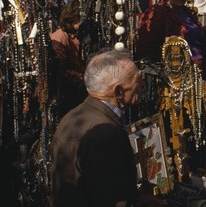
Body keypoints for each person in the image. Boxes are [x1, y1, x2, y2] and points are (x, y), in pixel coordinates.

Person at [51, 50, 162, 207]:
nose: (143, 85)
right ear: (118, 92)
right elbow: (111, 198)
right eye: (138, 80)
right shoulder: (106, 135)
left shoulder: (73, 117)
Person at [136, 0, 205, 66]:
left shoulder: (188, 13)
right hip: (175, 72)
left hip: (197, 68)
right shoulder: (156, 13)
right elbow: (149, 47)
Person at [51, 0, 86, 116]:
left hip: (77, 85)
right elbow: (60, 68)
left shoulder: (75, 35)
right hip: (68, 90)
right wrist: (81, 77)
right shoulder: (59, 37)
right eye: (78, 20)